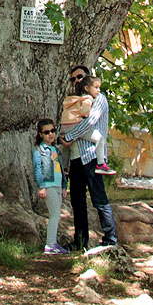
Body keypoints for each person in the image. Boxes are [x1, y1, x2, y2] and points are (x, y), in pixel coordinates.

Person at [60, 68, 117, 250]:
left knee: (98, 198)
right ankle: (80, 241)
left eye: (80, 77)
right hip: (76, 156)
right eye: (74, 78)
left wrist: (69, 137)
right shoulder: (76, 101)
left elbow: (90, 122)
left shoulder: (99, 98)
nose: (76, 80)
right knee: (77, 201)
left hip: (91, 155)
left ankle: (110, 239)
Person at [32, 119, 68, 254]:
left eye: (52, 131)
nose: (50, 134)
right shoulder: (39, 150)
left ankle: (53, 242)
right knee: (55, 214)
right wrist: (41, 187)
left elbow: (61, 170)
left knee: (56, 215)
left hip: (58, 185)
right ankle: (50, 244)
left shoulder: (56, 150)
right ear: (41, 134)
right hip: (48, 185)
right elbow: (37, 169)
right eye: (46, 132)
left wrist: (64, 186)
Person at [83, 76, 116, 175]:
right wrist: (70, 135)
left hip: (90, 150)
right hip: (80, 133)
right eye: (96, 87)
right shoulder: (85, 99)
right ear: (87, 88)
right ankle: (101, 164)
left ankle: (101, 163)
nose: (99, 90)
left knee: (100, 139)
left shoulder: (99, 98)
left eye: (99, 87)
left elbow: (88, 120)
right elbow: (87, 120)